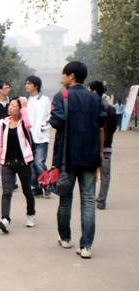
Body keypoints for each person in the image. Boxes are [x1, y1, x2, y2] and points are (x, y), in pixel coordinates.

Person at [50, 61, 105, 259]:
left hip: (67, 157)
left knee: (66, 199)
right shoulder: (95, 98)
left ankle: (65, 238)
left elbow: (56, 122)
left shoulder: (61, 97)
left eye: (64, 74)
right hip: (90, 156)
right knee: (89, 201)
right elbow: (101, 123)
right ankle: (86, 246)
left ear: (71, 75)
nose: (62, 77)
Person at [0, 97, 36, 233]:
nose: (10, 107)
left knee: (27, 191)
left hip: (23, 162)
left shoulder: (24, 122)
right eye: (10, 105)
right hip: (7, 162)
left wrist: (24, 108)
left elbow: (29, 126)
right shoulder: (4, 123)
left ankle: (30, 214)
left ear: (20, 108)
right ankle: (5, 219)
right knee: (6, 192)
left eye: (14, 105)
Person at [88, 81, 117, 210]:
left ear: (94, 91)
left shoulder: (90, 108)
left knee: (90, 173)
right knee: (105, 175)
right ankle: (101, 200)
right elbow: (113, 128)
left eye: (89, 89)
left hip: (92, 147)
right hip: (107, 146)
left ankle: (89, 197)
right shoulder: (111, 108)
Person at [25, 75, 51, 198]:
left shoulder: (44, 99)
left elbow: (50, 116)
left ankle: (47, 184)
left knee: (39, 163)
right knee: (31, 165)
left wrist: (43, 127)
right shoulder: (26, 100)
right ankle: (36, 187)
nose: (26, 86)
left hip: (41, 138)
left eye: (29, 84)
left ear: (36, 85)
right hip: (29, 138)